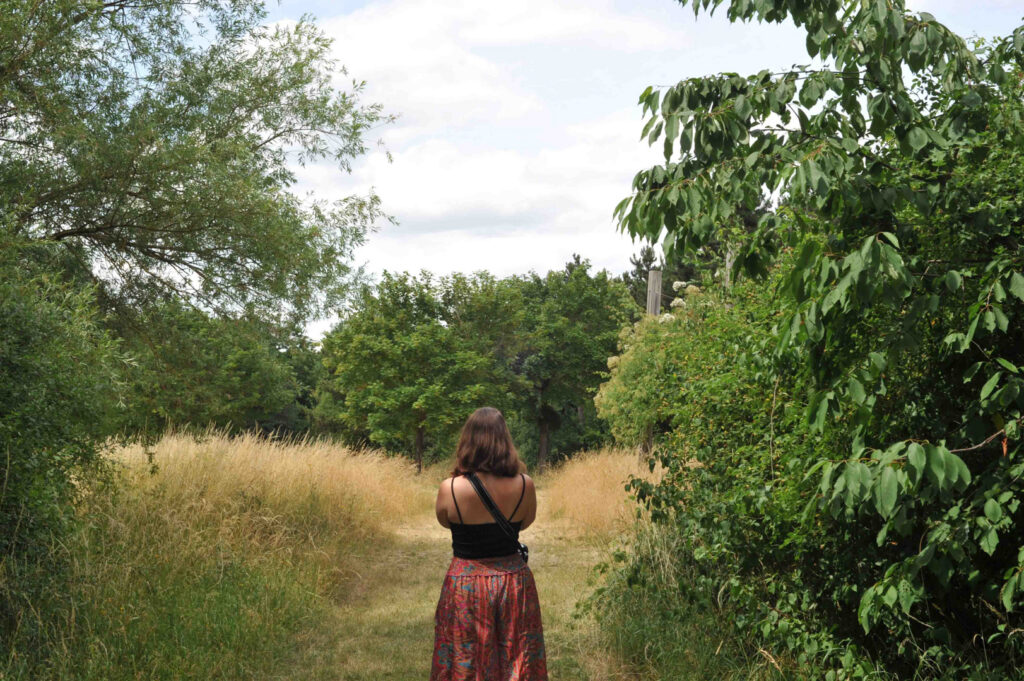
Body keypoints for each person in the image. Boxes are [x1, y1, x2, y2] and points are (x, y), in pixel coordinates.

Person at [430, 407, 548, 681]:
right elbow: (526, 521)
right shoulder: (525, 485)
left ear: (468, 441)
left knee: (465, 658)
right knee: (518, 657)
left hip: (465, 586)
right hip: (513, 583)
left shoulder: (450, 488)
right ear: (504, 440)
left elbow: (445, 520)